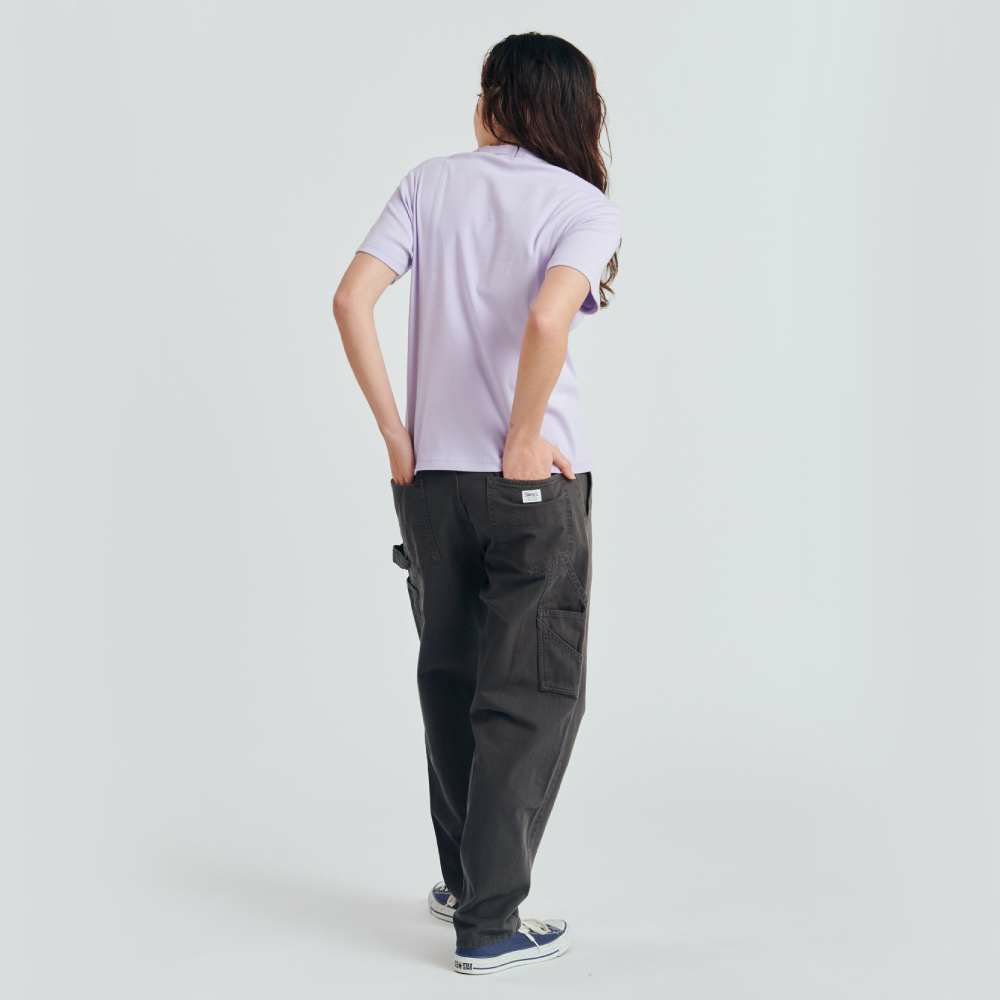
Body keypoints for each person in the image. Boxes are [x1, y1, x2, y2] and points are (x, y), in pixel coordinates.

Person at [332, 31, 622, 975]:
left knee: (452, 681)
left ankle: (466, 882)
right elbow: (547, 315)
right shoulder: (581, 205)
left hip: (430, 484)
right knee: (529, 696)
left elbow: (351, 299)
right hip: (528, 487)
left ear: (496, 101)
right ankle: (491, 923)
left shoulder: (430, 183)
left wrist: (397, 433)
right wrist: (525, 435)